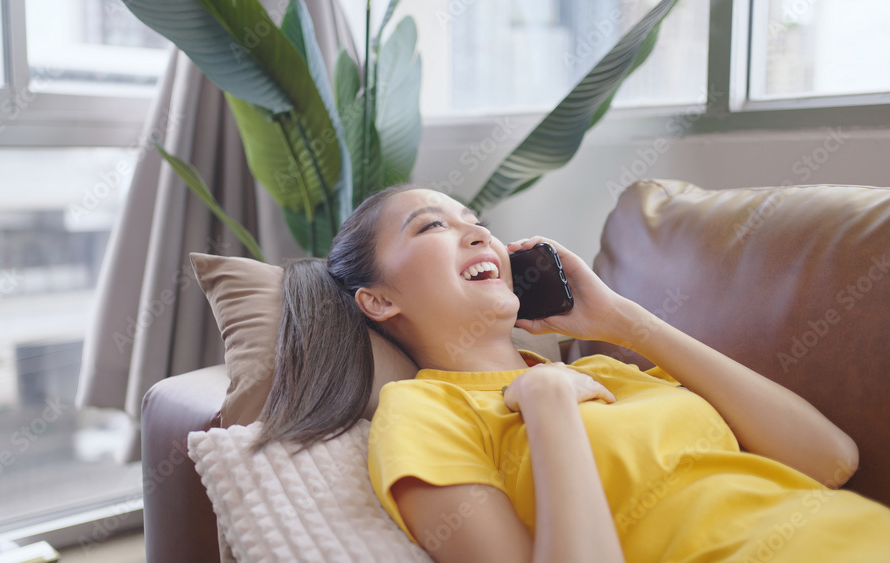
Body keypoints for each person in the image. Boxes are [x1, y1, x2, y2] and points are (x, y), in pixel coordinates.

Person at [251, 184, 890, 562]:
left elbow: (832, 459)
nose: (479, 236)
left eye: (480, 224)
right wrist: (549, 402)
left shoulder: (616, 368)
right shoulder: (424, 413)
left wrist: (627, 323)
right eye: (435, 226)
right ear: (379, 300)